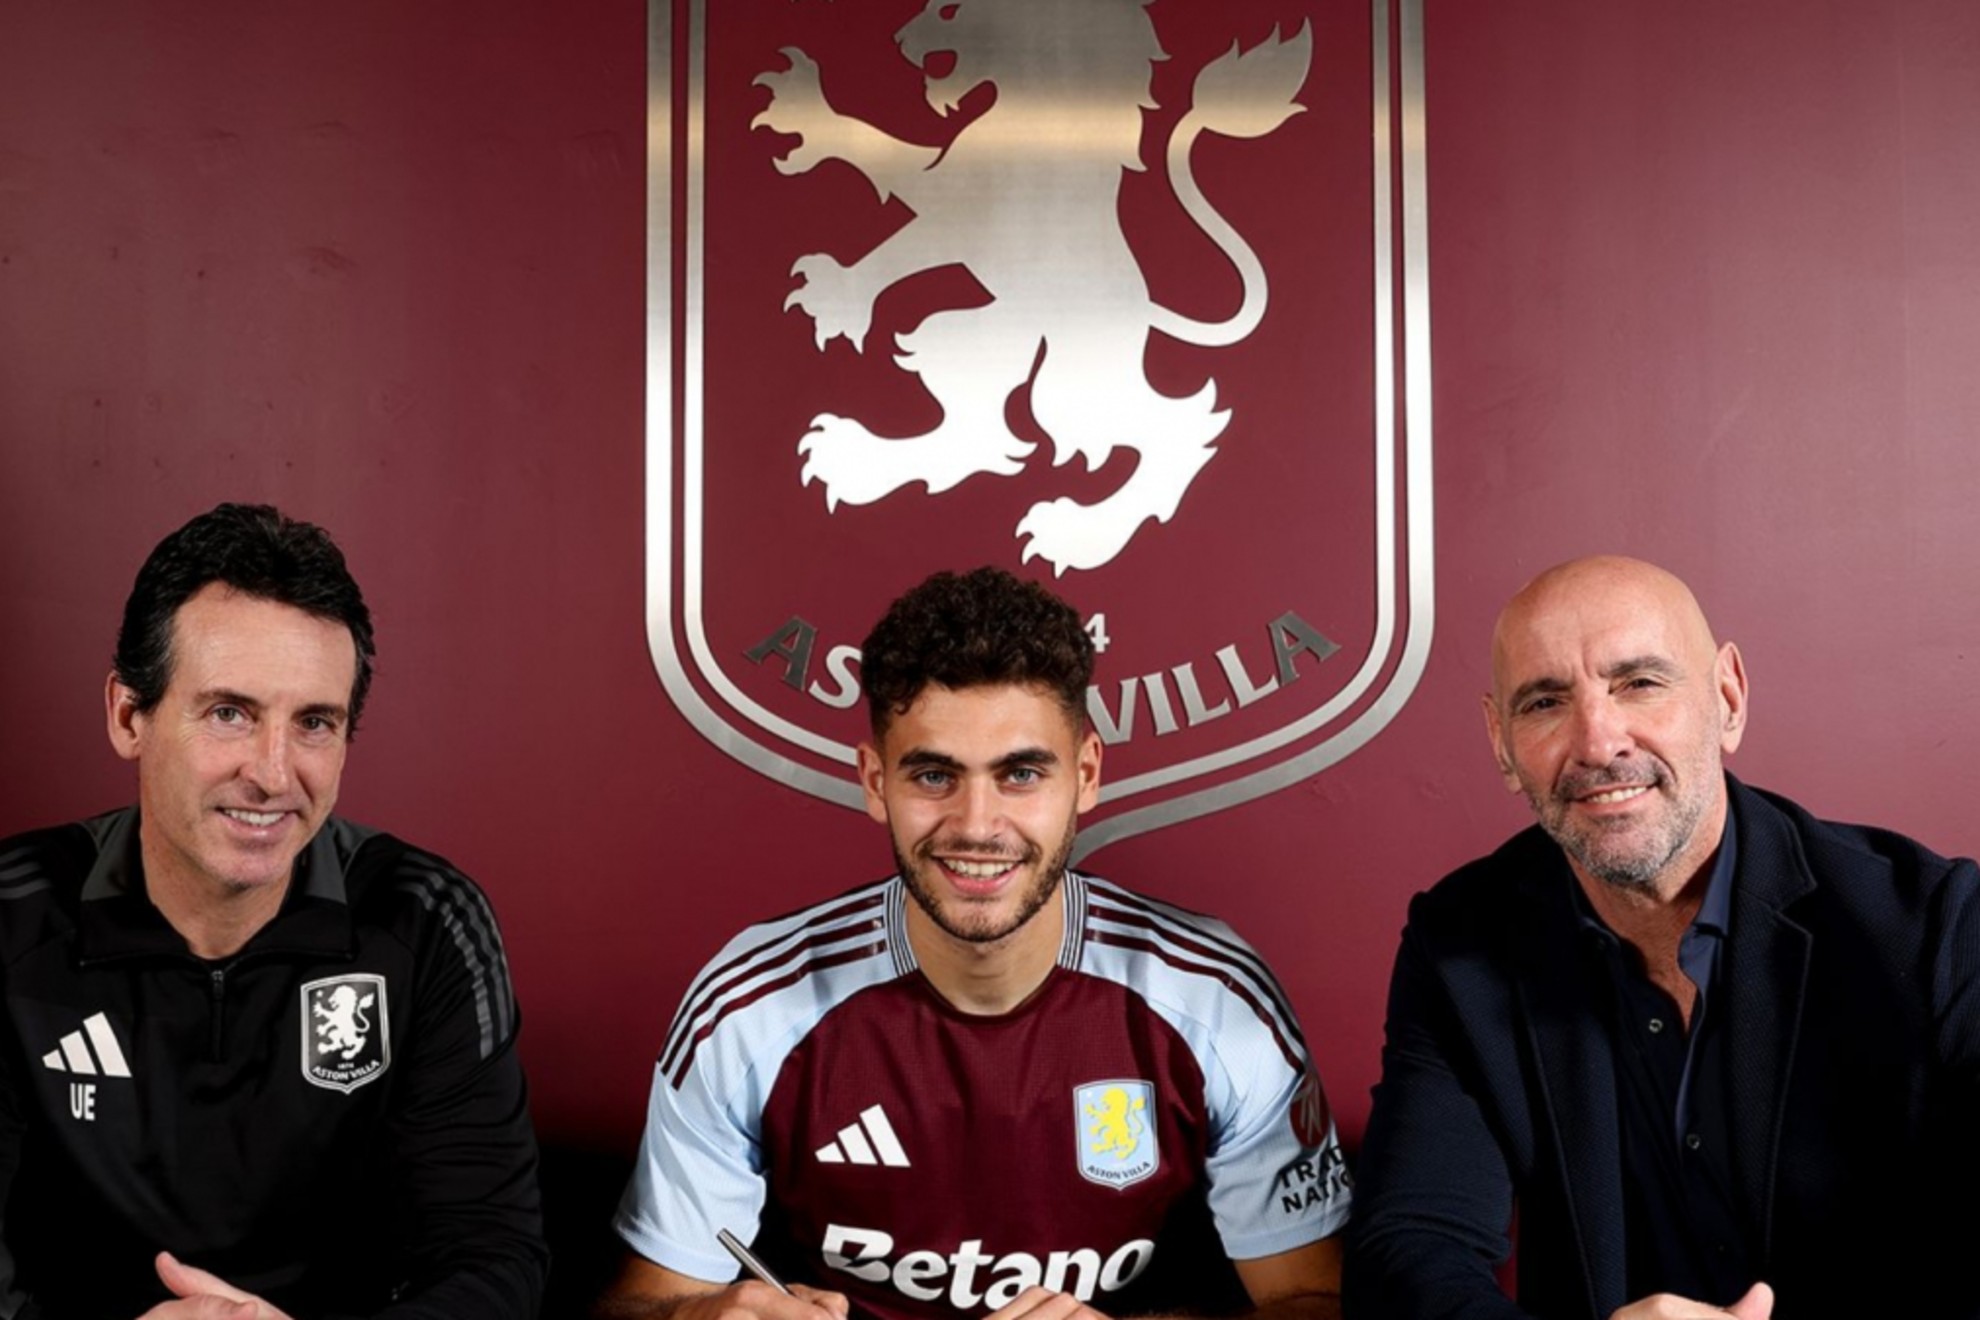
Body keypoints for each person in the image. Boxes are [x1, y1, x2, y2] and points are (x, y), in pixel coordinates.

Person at [600, 567, 1349, 1320]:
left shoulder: (1215, 999)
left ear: (1086, 775)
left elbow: (1319, 1301)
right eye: (933, 775)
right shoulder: (750, 1004)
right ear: (873, 780)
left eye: (1021, 773)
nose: (977, 825)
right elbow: (644, 1303)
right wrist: (701, 1316)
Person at [1342, 555, 1980, 1320]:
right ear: (1501, 742)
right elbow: (1408, 1252)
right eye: (1545, 702)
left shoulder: (1935, 927)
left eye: (1639, 684)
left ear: (1729, 699)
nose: (1597, 740)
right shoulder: (1461, 944)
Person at [0, 503, 547, 1318]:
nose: (273, 772)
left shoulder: (426, 921)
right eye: (231, 713)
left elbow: (492, 1262)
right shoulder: (12, 918)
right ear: (128, 716)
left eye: (315, 723)